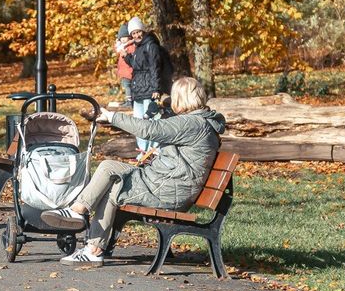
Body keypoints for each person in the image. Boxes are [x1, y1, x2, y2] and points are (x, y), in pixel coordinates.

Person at [41, 77, 224, 266]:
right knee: (112, 183)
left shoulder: (192, 124)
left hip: (167, 191)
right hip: (167, 184)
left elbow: (149, 130)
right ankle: (93, 249)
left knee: (108, 167)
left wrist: (113, 117)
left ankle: (78, 212)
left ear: (181, 98)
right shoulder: (200, 122)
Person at [125, 16, 173, 154]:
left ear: (143, 31)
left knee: (151, 123)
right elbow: (137, 66)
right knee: (138, 125)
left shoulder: (150, 45)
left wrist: (156, 88)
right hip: (138, 92)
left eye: (138, 31)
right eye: (133, 33)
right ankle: (142, 152)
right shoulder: (137, 48)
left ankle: (155, 151)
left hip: (149, 91)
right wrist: (125, 57)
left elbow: (154, 67)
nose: (136, 35)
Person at [111, 23, 134, 107]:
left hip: (128, 71)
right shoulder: (122, 46)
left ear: (129, 37)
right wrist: (117, 43)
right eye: (121, 38)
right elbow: (116, 50)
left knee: (128, 86)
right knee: (126, 86)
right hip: (124, 71)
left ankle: (129, 101)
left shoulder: (130, 46)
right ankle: (128, 100)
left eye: (125, 37)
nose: (123, 39)